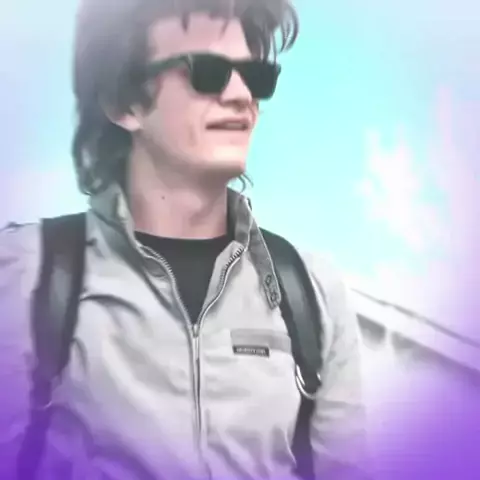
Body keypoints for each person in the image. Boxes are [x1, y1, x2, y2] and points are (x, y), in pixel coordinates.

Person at [0, 0, 369, 478]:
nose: (241, 96)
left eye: (257, 77)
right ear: (124, 103)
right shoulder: (26, 276)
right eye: (208, 72)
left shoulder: (313, 292)